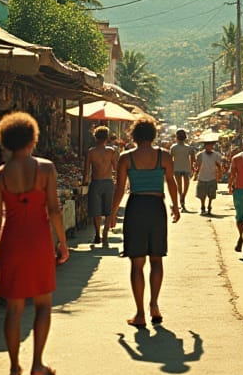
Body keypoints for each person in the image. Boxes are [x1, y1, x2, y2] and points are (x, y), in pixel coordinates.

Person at [0, 111, 68, 375]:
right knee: (43, 304)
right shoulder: (46, 169)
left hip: (12, 241)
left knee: (14, 308)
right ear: (33, 138)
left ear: (5, 140)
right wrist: (63, 243)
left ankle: (13, 368)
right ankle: (37, 363)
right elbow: (54, 211)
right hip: (39, 240)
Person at [107, 116, 179, 328]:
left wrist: (112, 213)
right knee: (157, 259)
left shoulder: (126, 157)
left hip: (136, 207)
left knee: (137, 263)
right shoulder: (164, 156)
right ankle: (154, 305)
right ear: (153, 135)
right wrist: (176, 205)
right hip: (157, 207)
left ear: (134, 135)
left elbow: (120, 188)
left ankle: (140, 313)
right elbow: (171, 182)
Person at [83, 125, 118, 245]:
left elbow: (86, 170)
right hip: (108, 182)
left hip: (96, 182)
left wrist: (85, 182)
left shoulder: (91, 152)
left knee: (96, 211)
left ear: (95, 137)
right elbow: (116, 168)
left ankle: (97, 234)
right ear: (107, 138)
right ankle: (105, 234)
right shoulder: (111, 151)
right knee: (108, 210)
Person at [192, 138, 225, 215]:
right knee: (202, 195)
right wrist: (195, 173)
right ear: (205, 146)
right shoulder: (200, 155)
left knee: (211, 195)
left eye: (211, 145)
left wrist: (219, 174)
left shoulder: (216, 155)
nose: (210, 147)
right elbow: (198, 165)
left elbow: (218, 165)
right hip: (202, 177)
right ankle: (203, 207)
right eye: (208, 146)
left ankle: (209, 206)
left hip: (212, 177)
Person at [169, 129, 195, 212]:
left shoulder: (173, 147)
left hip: (177, 168)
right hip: (186, 168)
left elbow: (170, 159)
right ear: (185, 137)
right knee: (186, 185)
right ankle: (183, 198)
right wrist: (192, 167)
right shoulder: (189, 148)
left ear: (176, 137)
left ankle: (181, 199)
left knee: (179, 186)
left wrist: (171, 167)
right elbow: (193, 159)